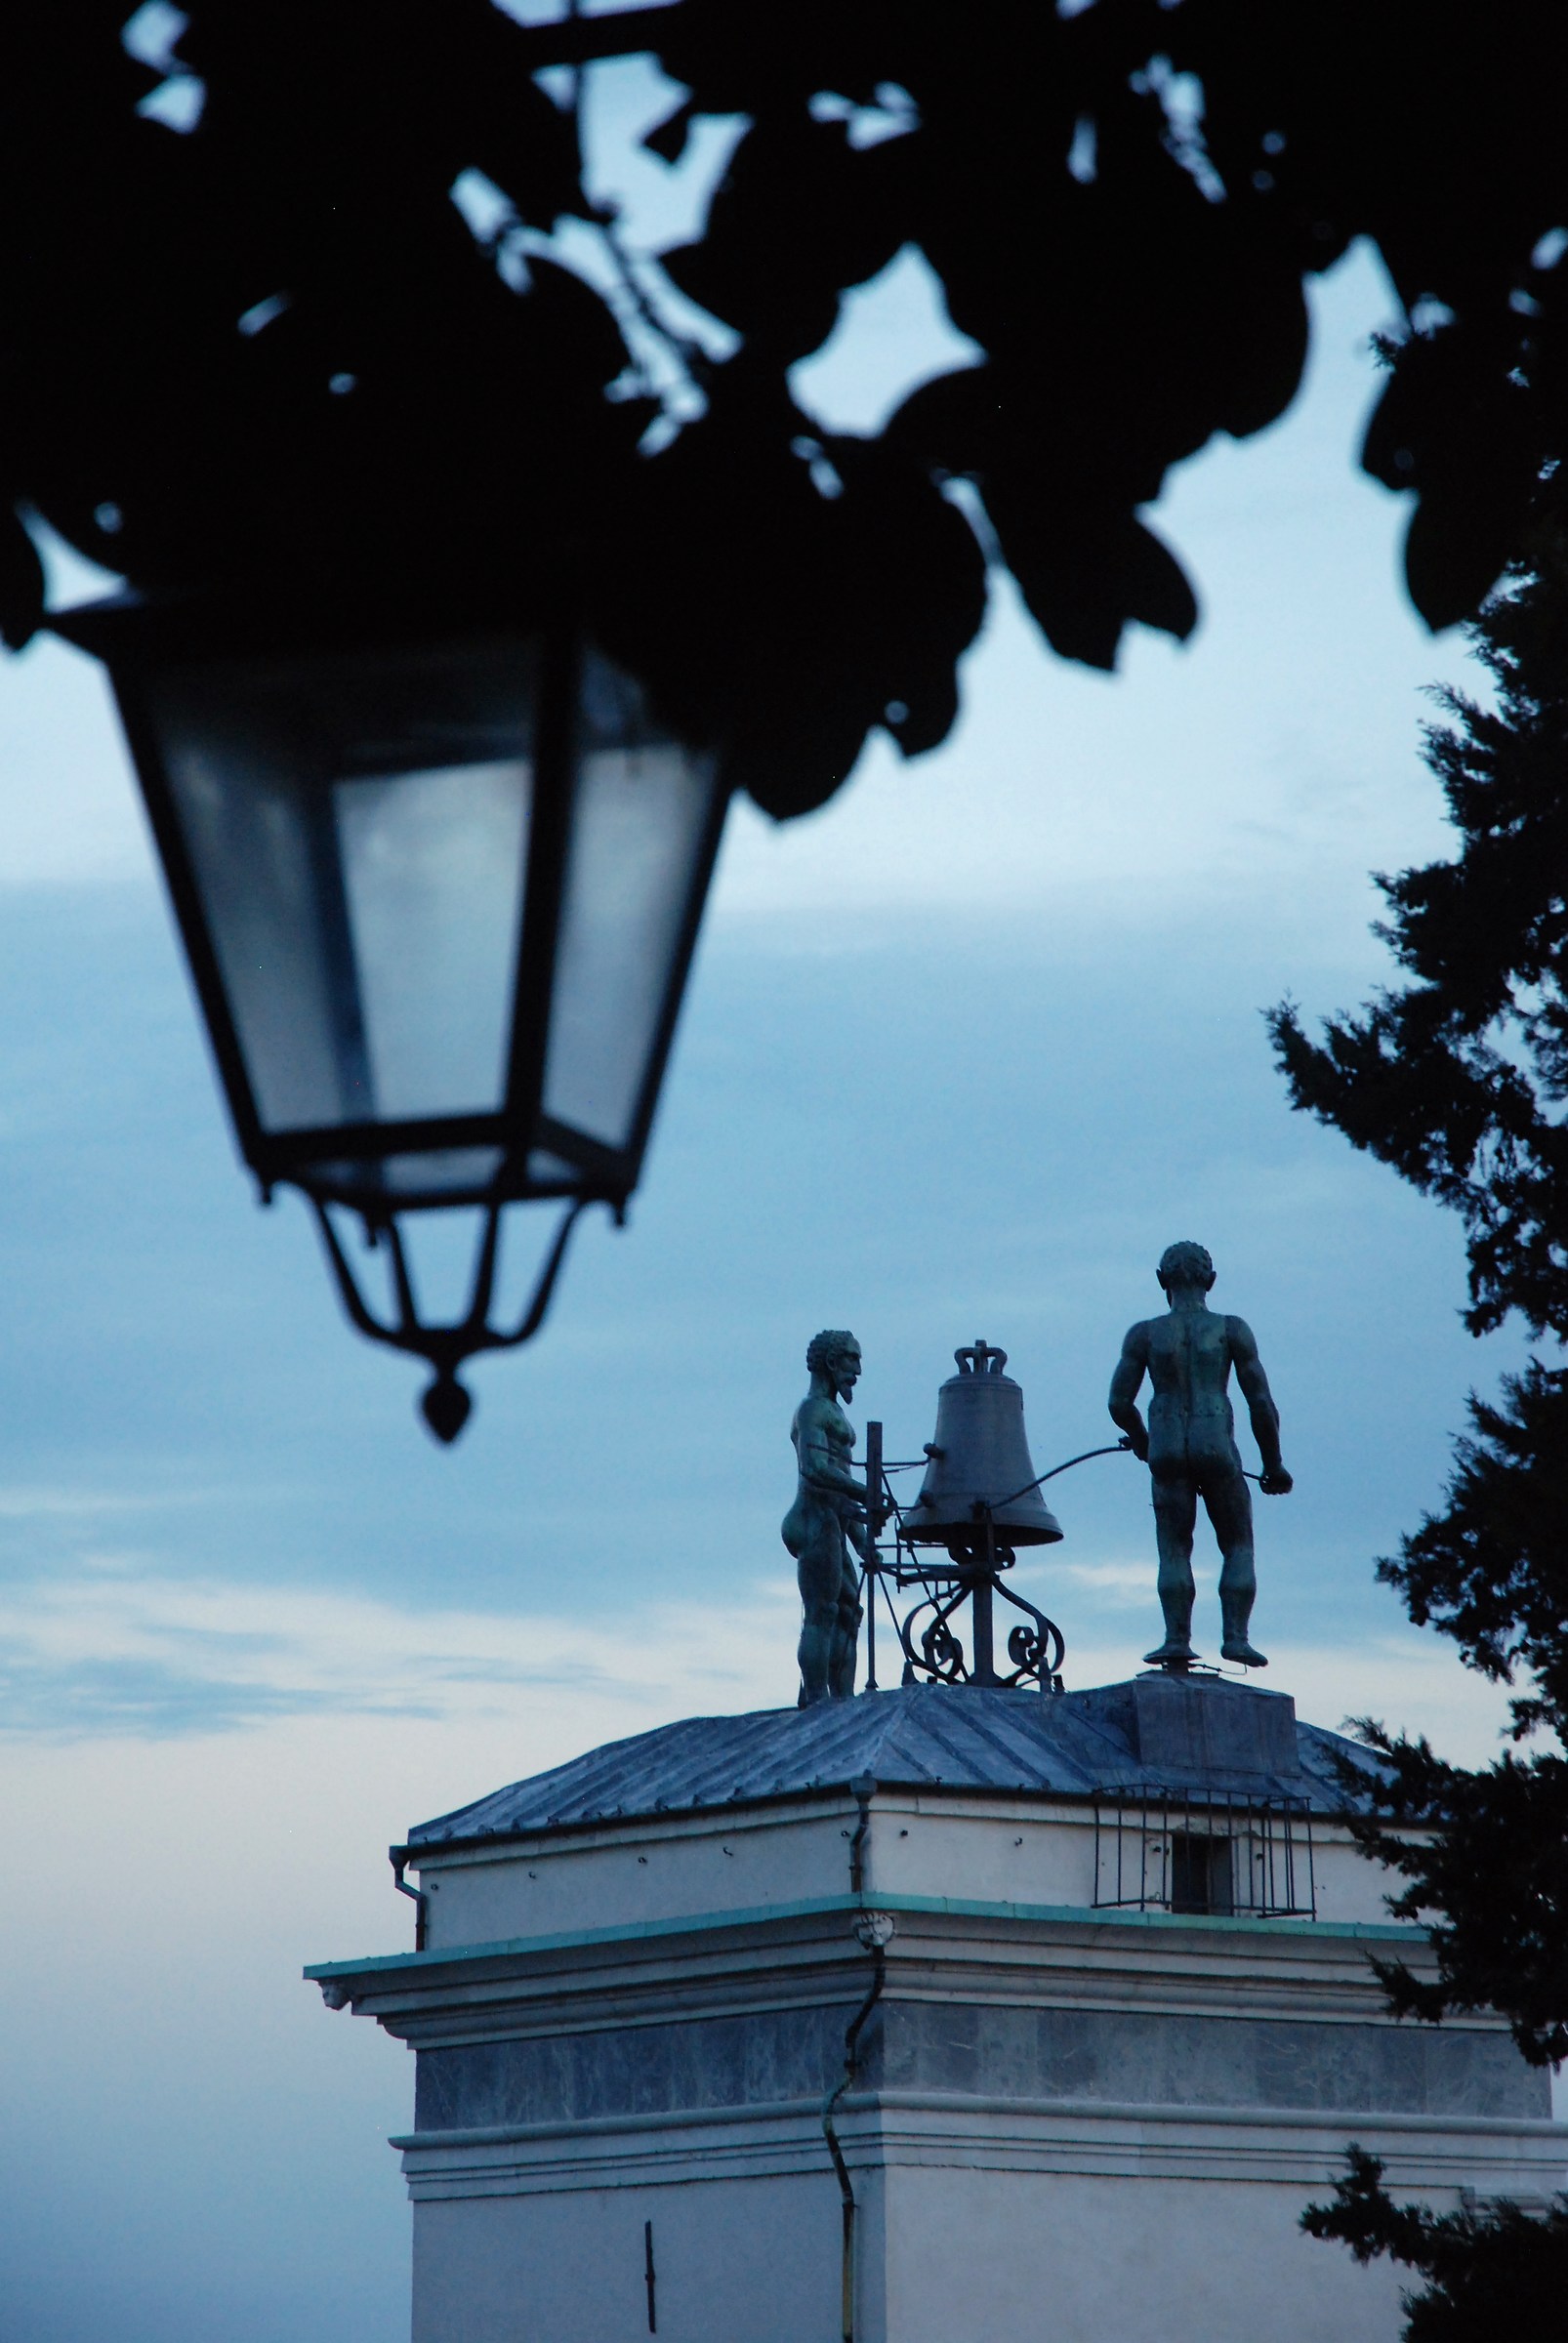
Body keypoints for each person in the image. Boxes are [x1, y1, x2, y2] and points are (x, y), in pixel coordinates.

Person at [1108, 1242, 1293, 1668]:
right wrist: (1273, 1463)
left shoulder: (1144, 1334)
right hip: (1216, 1446)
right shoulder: (1231, 1330)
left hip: (1168, 1446)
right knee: (1237, 1544)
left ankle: (1176, 1638)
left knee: (1174, 1549)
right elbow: (1261, 1403)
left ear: (1161, 1281)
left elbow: (1119, 1403)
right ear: (1210, 1280)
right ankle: (1236, 1637)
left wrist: (1142, 1440)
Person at [782, 1329, 870, 1706]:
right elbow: (815, 1469)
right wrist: (867, 1492)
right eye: (852, 1359)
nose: (858, 1370)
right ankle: (818, 1700)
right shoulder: (812, 1409)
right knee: (823, 1611)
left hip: (832, 1519)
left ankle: (842, 1698)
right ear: (832, 1363)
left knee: (849, 1612)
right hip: (814, 1520)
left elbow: (841, 1482)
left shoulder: (834, 1411)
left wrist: (863, 1543)